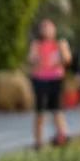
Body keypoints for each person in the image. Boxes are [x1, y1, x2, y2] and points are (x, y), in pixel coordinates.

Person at [28, 18, 72, 149]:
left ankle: (62, 136)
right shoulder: (36, 44)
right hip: (40, 79)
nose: (46, 30)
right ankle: (38, 141)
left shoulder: (59, 43)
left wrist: (62, 52)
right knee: (40, 111)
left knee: (57, 110)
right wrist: (36, 58)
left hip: (56, 79)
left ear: (54, 29)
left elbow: (68, 60)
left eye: (49, 27)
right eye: (44, 27)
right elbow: (31, 59)